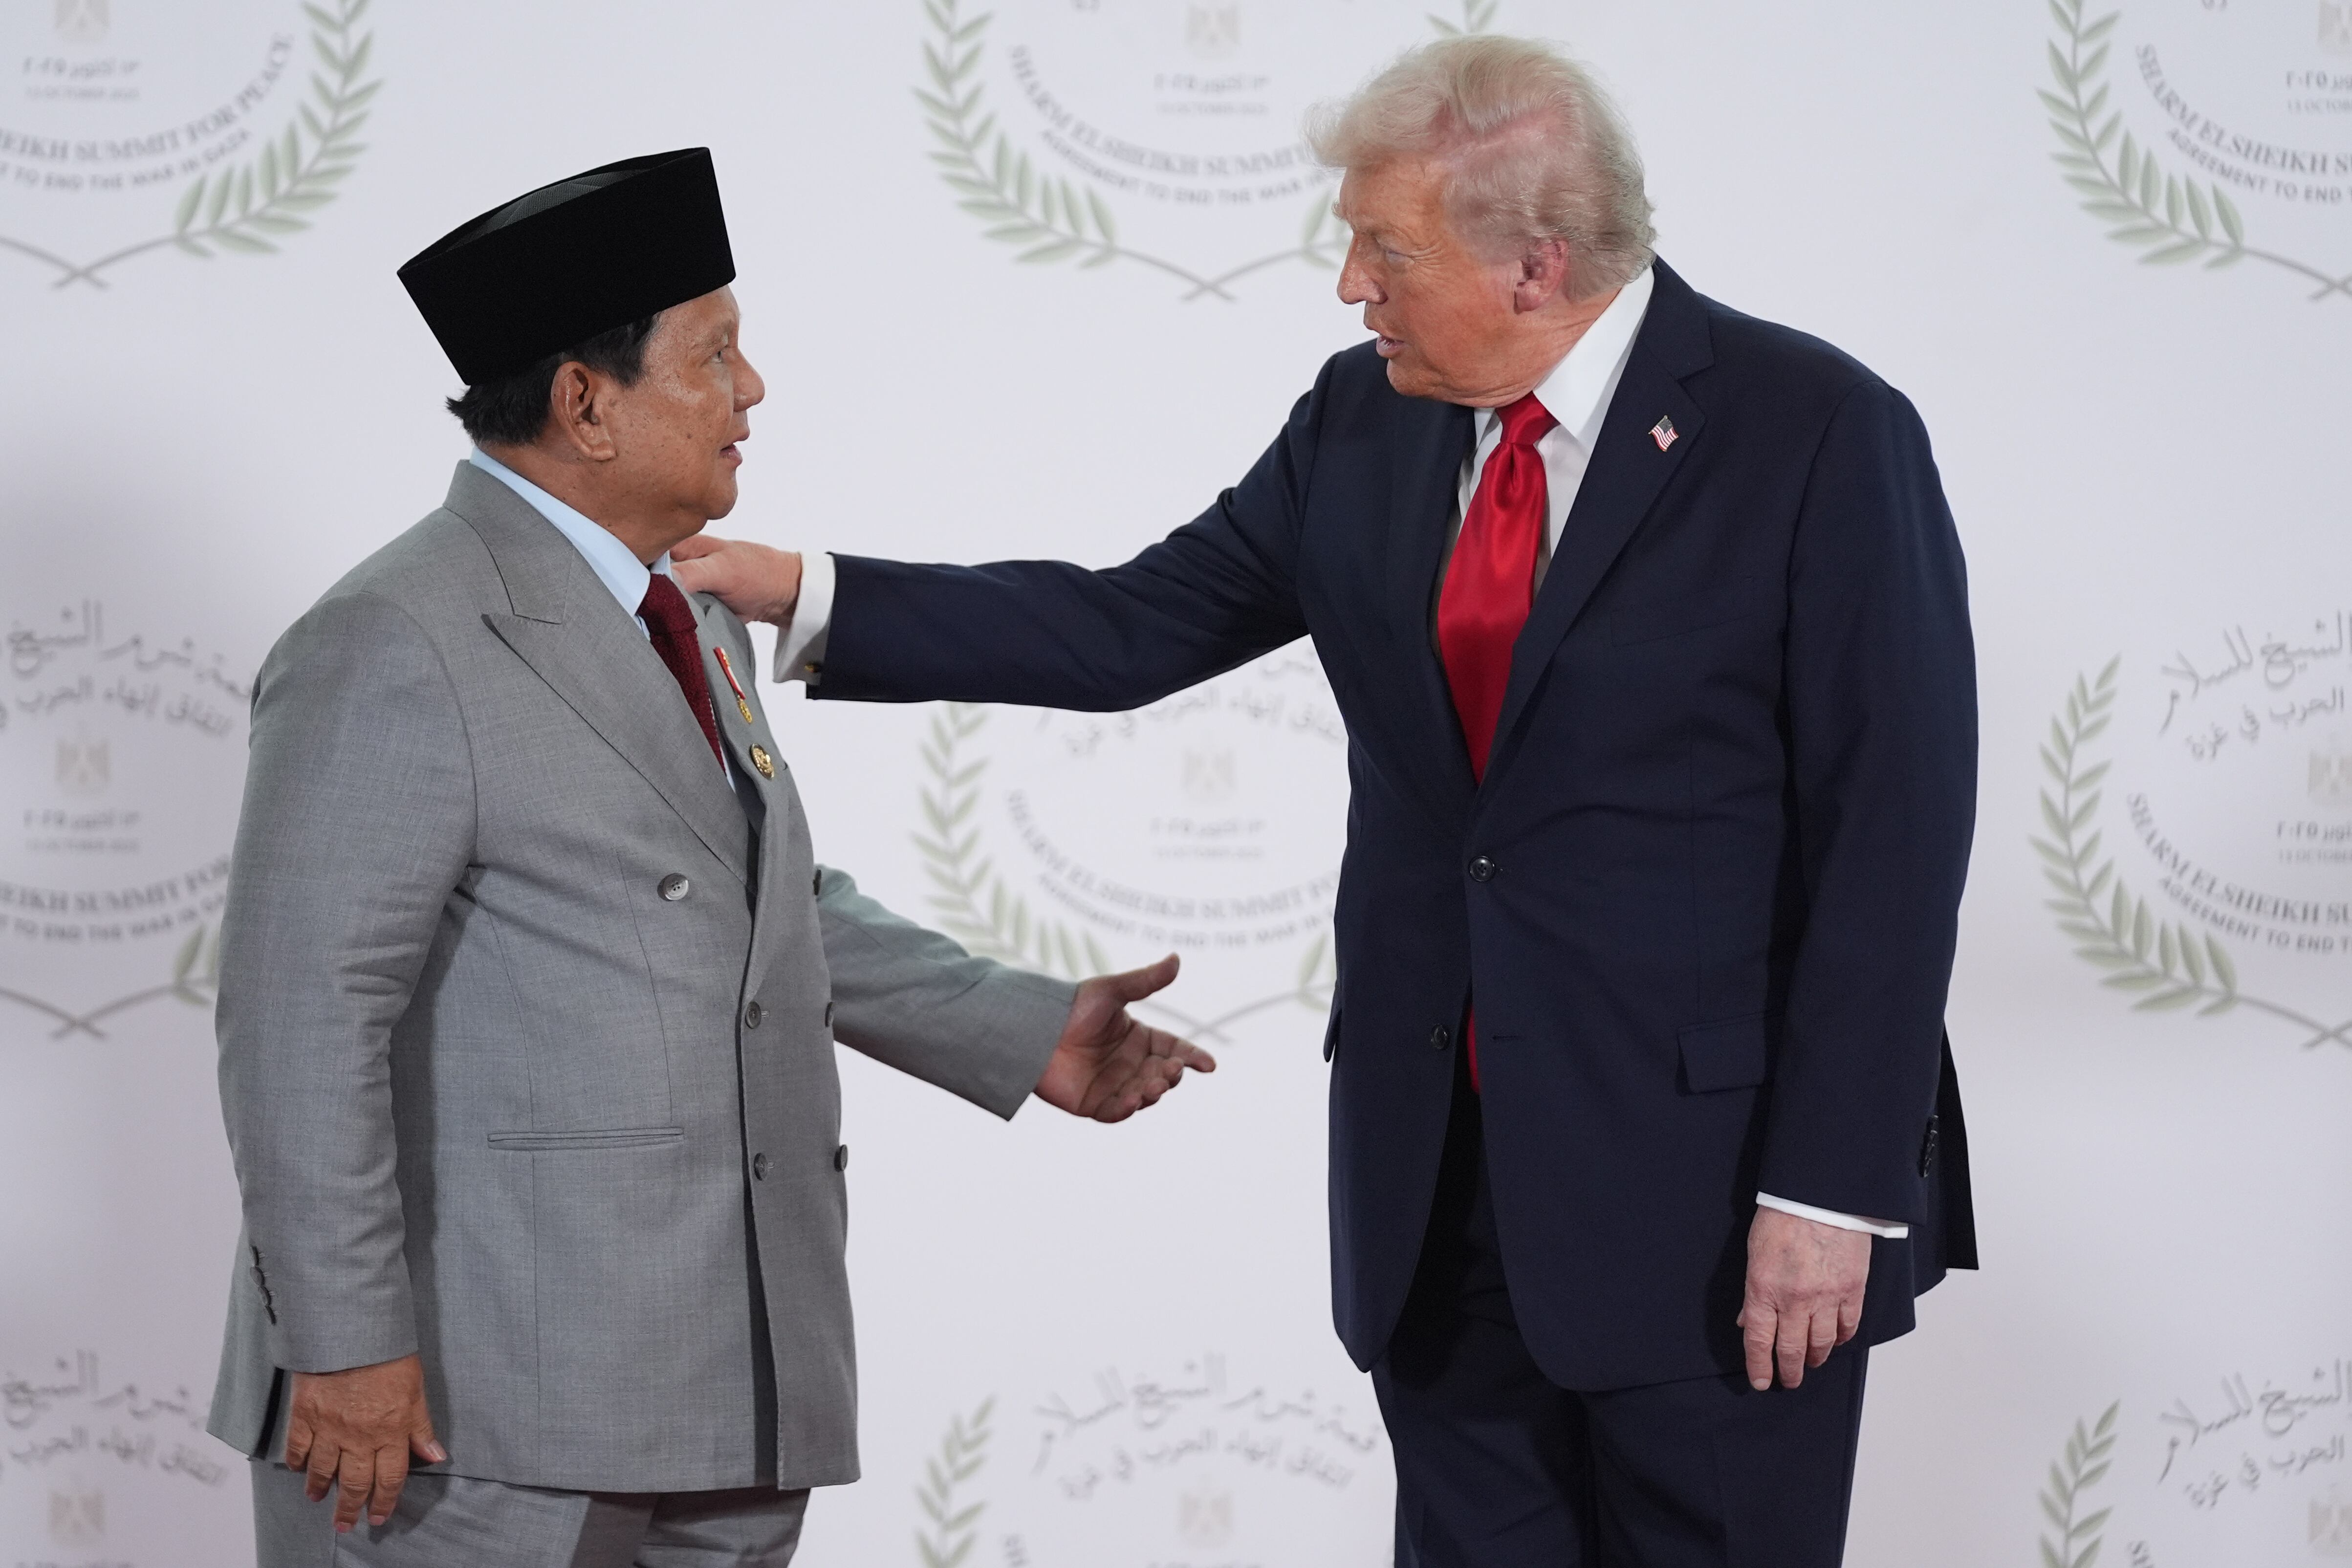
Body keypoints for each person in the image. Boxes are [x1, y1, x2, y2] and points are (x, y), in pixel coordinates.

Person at [675, 35, 1979, 1568]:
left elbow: (1890, 843)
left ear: (1533, 265)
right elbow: (1130, 627)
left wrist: (1830, 1191)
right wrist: (807, 590)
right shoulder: (1362, 420)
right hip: (1436, 1188)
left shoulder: (1815, 431)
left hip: (1710, 1207)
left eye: (1386, 249)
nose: (1350, 288)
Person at [204, 148, 1214, 1567]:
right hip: (465, 1416)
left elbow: (762, 909)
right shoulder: (396, 635)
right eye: (717, 356)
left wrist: (1020, 1027)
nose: (754, 392)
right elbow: (299, 1021)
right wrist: (343, 1344)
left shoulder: (694, 610)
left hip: (721, 1386)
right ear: (583, 403)